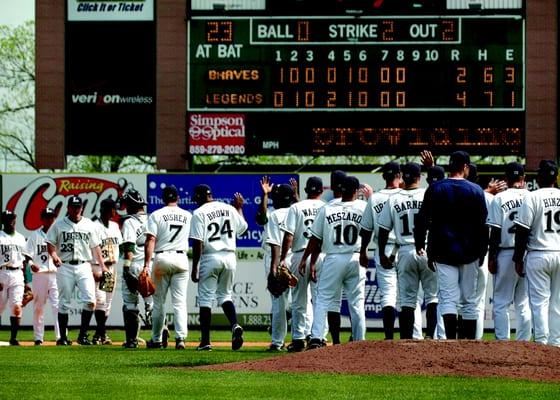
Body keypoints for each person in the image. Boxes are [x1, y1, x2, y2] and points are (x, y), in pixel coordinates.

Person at [414, 151, 488, 340]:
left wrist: (421, 245)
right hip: (470, 251)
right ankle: (469, 344)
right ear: (465, 167)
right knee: (469, 301)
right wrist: (482, 251)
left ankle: (451, 345)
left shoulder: (435, 188)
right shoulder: (476, 190)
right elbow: (483, 225)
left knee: (447, 299)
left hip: (443, 250)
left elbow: (422, 220)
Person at [306, 176, 368, 349]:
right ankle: (359, 340)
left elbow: (315, 239)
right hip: (356, 257)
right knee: (357, 303)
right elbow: (373, 230)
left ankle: (317, 337)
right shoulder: (364, 207)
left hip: (333, 257)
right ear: (356, 191)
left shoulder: (327, 208)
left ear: (341, 189)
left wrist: (309, 261)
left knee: (323, 298)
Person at [378, 163, 438, 339]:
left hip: (404, 251)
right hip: (427, 249)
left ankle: (405, 340)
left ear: (403, 177)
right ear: (419, 177)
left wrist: (382, 253)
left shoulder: (393, 198)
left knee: (407, 301)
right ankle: (429, 336)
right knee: (432, 297)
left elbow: (383, 229)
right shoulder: (429, 194)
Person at [190, 184, 248, 351]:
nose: (196, 203)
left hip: (210, 256)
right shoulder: (229, 208)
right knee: (225, 296)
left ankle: (206, 342)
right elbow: (243, 229)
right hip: (230, 257)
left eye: (196, 199)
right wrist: (239, 208)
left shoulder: (199, 213)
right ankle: (235, 325)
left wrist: (195, 266)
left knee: (205, 299)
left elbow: (197, 241)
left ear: (200, 198)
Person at [46, 195, 106, 345]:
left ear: (82, 208)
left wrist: (102, 266)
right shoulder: (59, 225)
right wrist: (53, 255)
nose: (76, 209)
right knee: (64, 303)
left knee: (90, 301)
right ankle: (63, 338)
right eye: (73, 207)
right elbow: (50, 243)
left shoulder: (89, 224)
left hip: (84, 265)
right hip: (64, 265)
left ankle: (82, 336)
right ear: (68, 208)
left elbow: (96, 247)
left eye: (78, 206)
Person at [513, 159, 560, 346]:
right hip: (559, 251)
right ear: (555, 178)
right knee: (557, 302)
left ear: (539, 177)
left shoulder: (532, 197)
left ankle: (541, 342)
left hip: (538, 254)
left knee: (540, 302)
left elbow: (522, 231)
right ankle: (556, 343)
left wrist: (518, 259)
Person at [487, 162, 532, 341]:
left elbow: (495, 231)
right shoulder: (532, 196)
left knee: (500, 303)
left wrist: (492, 256)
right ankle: (524, 342)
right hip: (528, 253)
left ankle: (502, 343)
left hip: (505, 253)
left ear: (506, 179)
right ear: (523, 179)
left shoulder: (499, 198)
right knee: (523, 302)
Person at [279, 176, 325, 351]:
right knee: (321, 299)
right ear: (321, 190)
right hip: (322, 255)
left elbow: (289, 235)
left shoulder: (296, 207)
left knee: (299, 300)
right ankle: (318, 337)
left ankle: (298, 339)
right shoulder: (327, 207)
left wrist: (284, 258)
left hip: (299, 255)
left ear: (306, 191)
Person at [144, 185, 192, 350]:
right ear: (177, 198)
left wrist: (146, 264)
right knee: (180, 302)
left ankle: (156, 339)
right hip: (181, 258)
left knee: (159, 303)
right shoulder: (188, 215)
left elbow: (150, 240)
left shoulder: (156, 214)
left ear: (163, 199)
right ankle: (180, 339)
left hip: (162, 257)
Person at [359, 162, 402, 340]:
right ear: (399, 175)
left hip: (383, 249)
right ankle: (416, 336)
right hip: (406, 246)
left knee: (388, 295)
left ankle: (389, 338)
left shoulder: (375, 198)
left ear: (383, 176)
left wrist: (363, 251)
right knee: (411, 296)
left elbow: (366, 230)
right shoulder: (406, 195)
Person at [260, 178, 298, 351]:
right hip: (295, 257)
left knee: (278, 301)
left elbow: (262, 217)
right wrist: (296, 195)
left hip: (276, 258)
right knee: (300, 300)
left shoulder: (273, 215)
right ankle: (302, 337)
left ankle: (277, 342)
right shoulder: (297, 211)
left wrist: (265, 195)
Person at [23, 207, 60, 346]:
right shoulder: (34, 236)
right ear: (42, 219)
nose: (50, 219)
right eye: (47, 217)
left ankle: (60, 337)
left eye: (52, 217)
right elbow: (28, 256)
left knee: (58, 306)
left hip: (56, 275)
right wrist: (31, 264)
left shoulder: (58, 234)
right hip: (40, 275)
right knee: (39, 306)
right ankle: (38, 338)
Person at [120, 189, 150, 348]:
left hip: (135, 265)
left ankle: (132, 341)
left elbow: (129, 247)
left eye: (127, 204)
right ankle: (159, 333)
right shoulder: (152, 219)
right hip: (151, 264)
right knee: (152, 302)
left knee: (130, 303)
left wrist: (126, 269)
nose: (125, 208)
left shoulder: (129, 222)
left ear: (131, 205)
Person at [91, 198, 122, 345]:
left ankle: (99, 334)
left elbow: (119, 247)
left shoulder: (115, 226)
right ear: (106, 209)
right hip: (97, 266)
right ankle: (102, 334)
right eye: (113, 208)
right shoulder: (93, 226)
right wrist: (90, 269)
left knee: (107, 303)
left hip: (111, 267)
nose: (115, 211)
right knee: (100, 301)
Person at [0, 210, 28, 345]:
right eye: (7, 218)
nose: (11, 221)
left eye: (12, 218)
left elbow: (25, 260)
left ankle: (13, 338)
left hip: (17, 274)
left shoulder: (21, 238)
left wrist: (27, 281)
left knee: (17, 307)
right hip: (1, 273)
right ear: (3, 221)